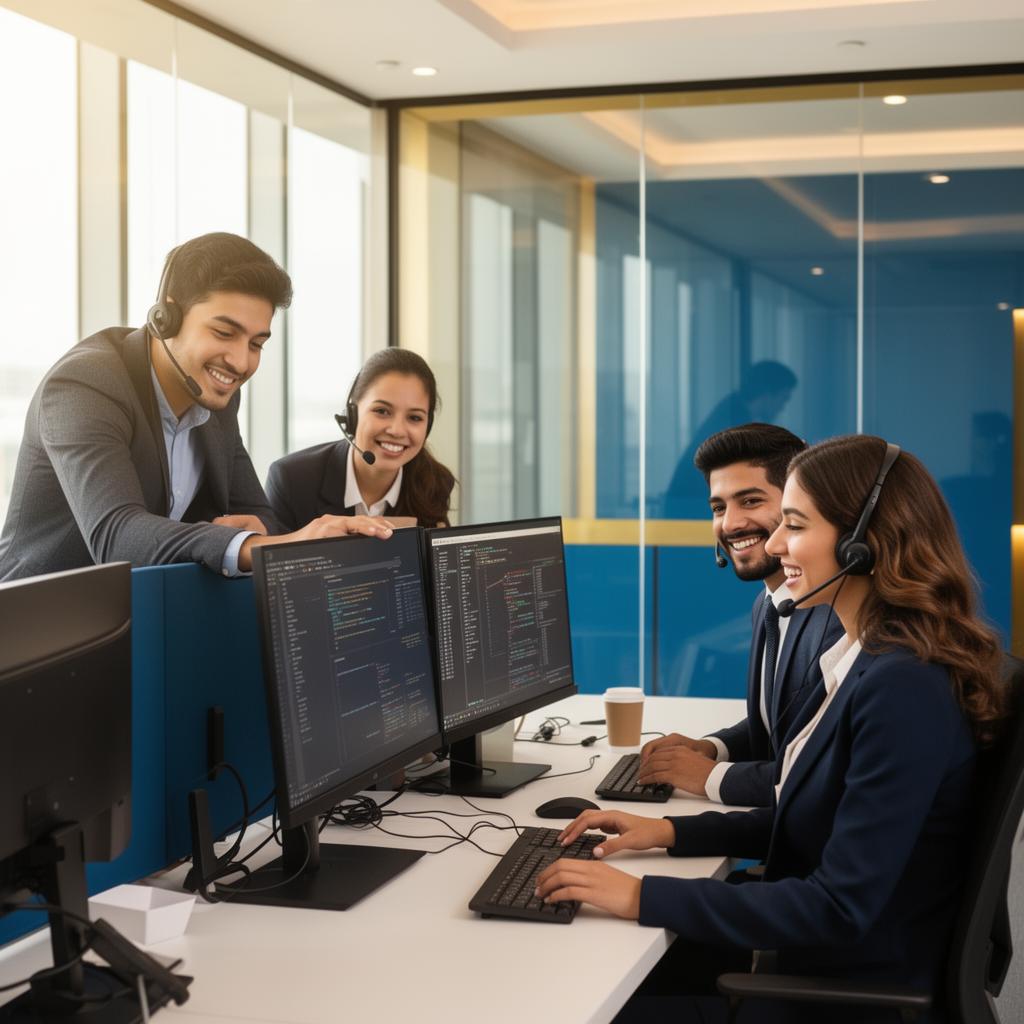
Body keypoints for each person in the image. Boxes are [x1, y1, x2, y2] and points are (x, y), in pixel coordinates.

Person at [537, 435, 1005, 1023]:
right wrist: (666, 832)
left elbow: (840, 905)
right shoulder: (862, 660)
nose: (776, 543)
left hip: (840, 987)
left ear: (863, 544)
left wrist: (637, 894)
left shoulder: (902, 683)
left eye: (796, 525)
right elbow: (812, 818)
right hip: (815, 952)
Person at [0, 232, 391, 582]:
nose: (240, 362)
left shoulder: (215, 397)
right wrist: (247, 545)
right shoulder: (86, 384)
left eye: (256, 344)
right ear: (167, 316)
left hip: (142, 616)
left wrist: (261, 533)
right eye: (224, 333)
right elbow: (116, 536)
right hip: (39, 633)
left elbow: (259, 513)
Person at [638, 423, 841, 806]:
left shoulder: (837, 620)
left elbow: (815, 776)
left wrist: (710, 776)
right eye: (718, 507)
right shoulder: (768, 604)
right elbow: (783, 725)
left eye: (750, 501)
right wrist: (712, 748)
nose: (729, 524)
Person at [265, 348, 456, 530]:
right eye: (382, 411)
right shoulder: (292, 481)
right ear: (352, 415)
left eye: (415, 417)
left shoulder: (433, 483)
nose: (397, 430)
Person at [663, 361, 797, 518]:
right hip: (690, 512)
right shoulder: (734, 422)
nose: (783, 406)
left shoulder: (733, 411)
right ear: (768, 392)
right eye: (784, 398)